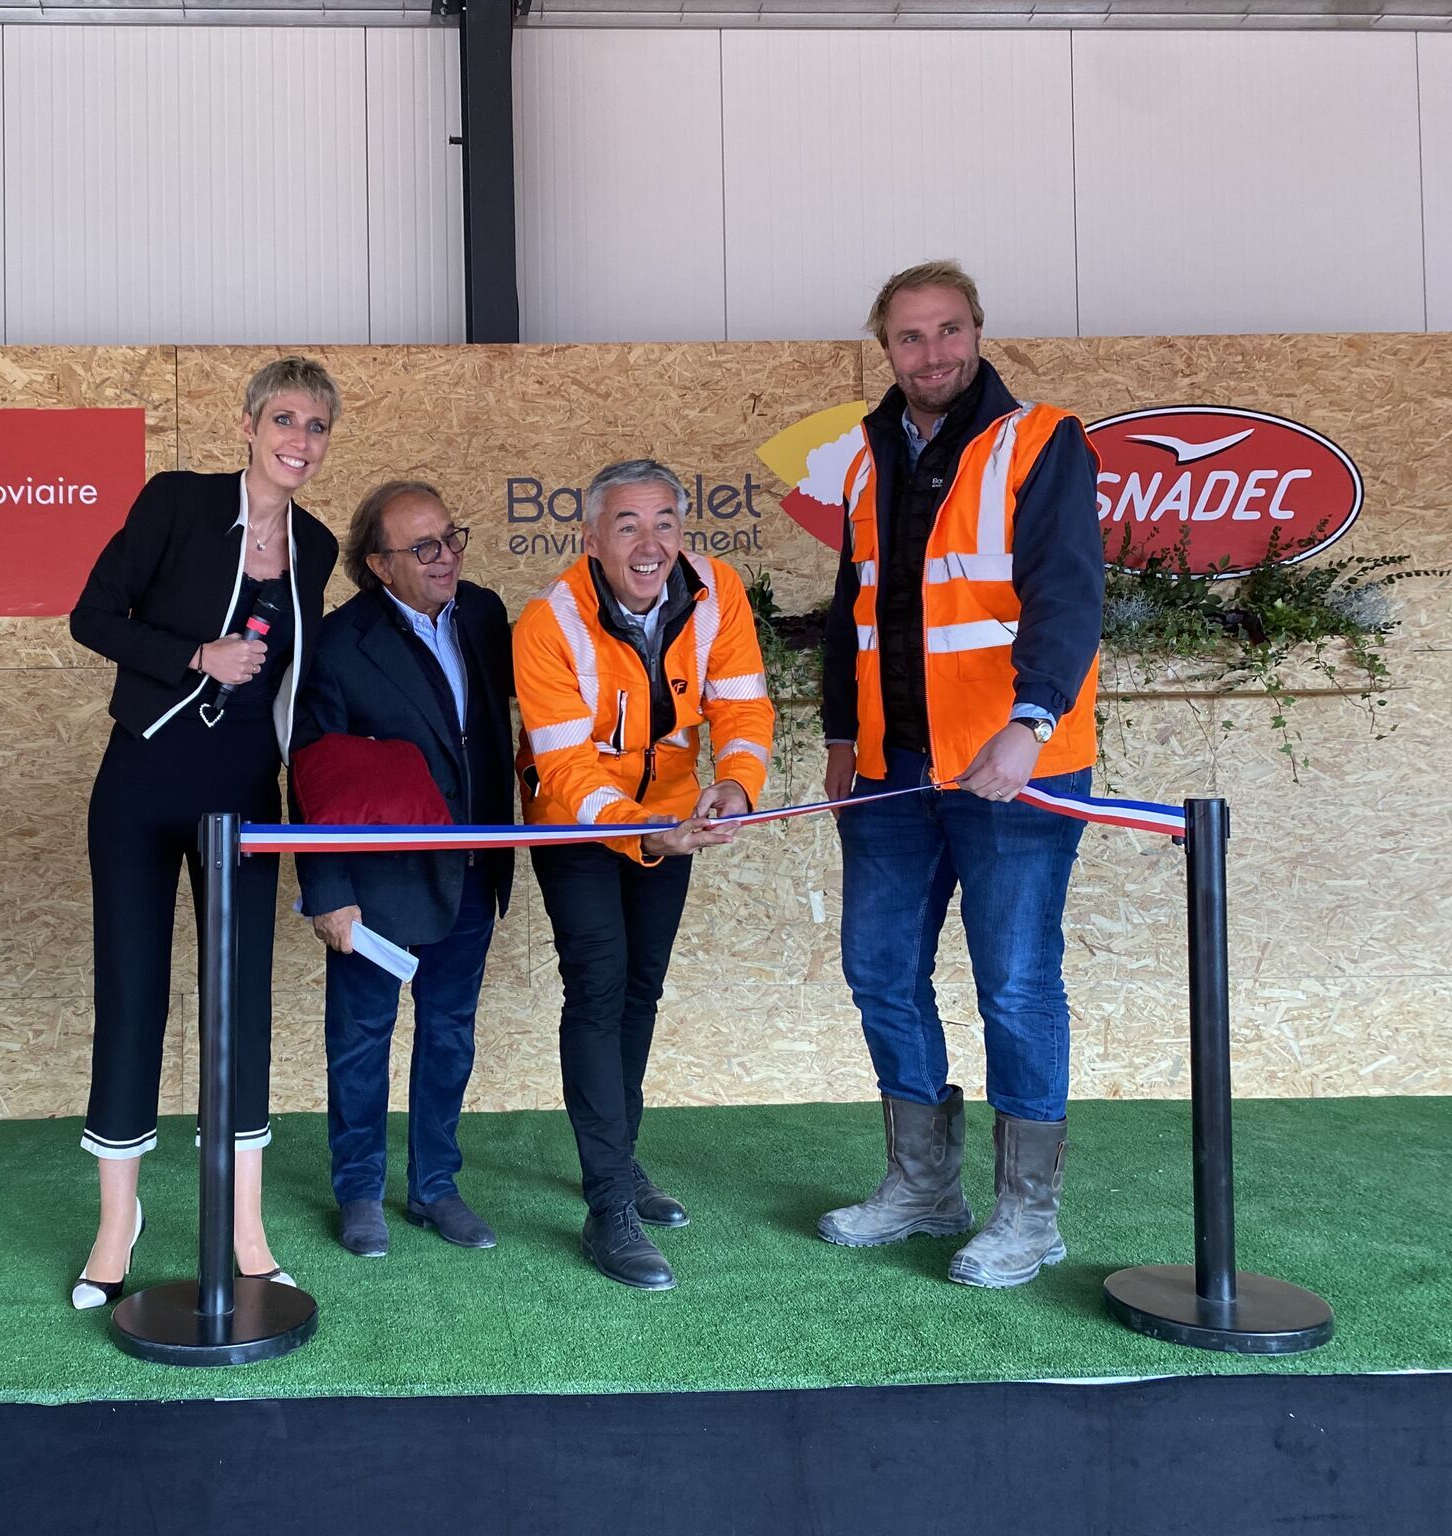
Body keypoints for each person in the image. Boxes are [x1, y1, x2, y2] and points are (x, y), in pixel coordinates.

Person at [816, 260, 1105, 1289]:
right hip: (893, 774)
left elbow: (1066, 596)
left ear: (976, 331)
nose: (930, 353)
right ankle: (923, 1187)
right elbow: (852, 614)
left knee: (1016, 989)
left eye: (946, 331)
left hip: (1009, 770)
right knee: (878, 972)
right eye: (908, 337)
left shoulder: (1038, 441)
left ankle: (1027, 1217)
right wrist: (840, 739)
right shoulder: (859, 457)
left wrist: (1032, 720)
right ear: (882, 347)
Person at [65, 357, 341, 1309]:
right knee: (133, 995)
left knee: (241, 1004)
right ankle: (116, 1226)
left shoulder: (317, 545)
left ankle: (249, 1228)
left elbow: (295, 688)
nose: (299, 441)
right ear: (250, 423)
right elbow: (91, 617)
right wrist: (194, 654)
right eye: (286, 420)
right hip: (142, 777)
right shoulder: (177, 501)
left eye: (316, 428)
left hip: (243, 794)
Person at [513, 459, 775, 1291]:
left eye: (664, 522)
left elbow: (742, 708)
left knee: (640, 990)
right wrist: (652, 837)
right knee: (598, 985)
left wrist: (735, 784)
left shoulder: (718, 590)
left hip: (675, 822)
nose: (650, 542)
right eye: (628, 525)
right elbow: (566, 774)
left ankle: (619, 1163)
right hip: (579, 826)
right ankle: (606, 1207)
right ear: (591, 538)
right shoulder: (547, 622)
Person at [296, 481, 517, 1259]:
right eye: (425, 547)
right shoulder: (337, 641)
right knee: (361, 1040)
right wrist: (328, 892)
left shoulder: (485, 616)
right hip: (377, 885)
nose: (447, 556)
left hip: (469, 870)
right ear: (379, 564)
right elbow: (312, 770)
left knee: (450, 1037)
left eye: (452, 537)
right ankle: (359, 1192)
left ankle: (434, 1190)